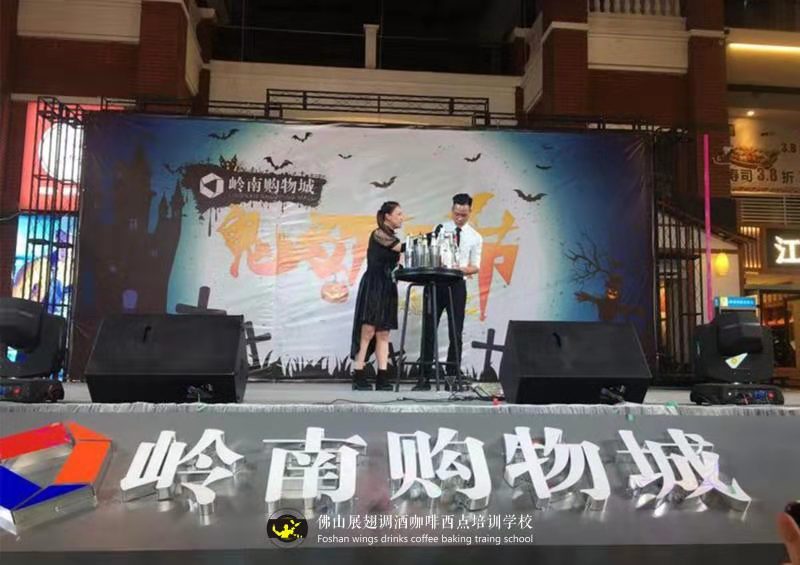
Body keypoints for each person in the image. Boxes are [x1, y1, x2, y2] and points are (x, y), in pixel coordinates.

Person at [414, 193, 482, 391]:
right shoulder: (441, 228)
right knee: (429, 330)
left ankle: (452, 378)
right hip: (436, 283)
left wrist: (460, 269)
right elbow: (430, 253)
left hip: (457, 284)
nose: (459, 218)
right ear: (452, 210)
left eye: (464, 214)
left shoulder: (475, 237)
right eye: (456, 213)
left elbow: (475, 266)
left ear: (470, 211)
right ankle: (424, 377)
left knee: (455, 331)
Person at [350, 201, 405, 391]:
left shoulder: (392, 237)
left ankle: (382, 376)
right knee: (368, 331)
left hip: (388, 285)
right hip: (374, 285)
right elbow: (401, 248)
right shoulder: (379, 234)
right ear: (388, 216)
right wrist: (429, 238)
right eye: (399, 214)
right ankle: (358, 374)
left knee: (383, 333)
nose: (402, 218)